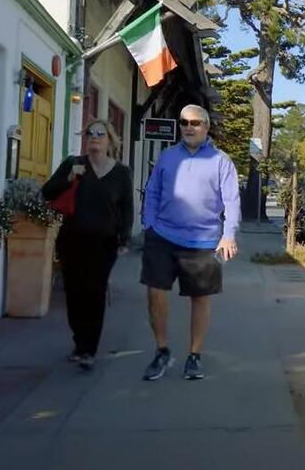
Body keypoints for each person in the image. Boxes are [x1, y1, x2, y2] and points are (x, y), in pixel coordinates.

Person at [140, 104, 240, 381]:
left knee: (199, 298)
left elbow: (231, 200)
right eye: (184, 122)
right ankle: (162, 351)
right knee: (155, 293)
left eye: (195, 123)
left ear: (206, 127)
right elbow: (153, 190)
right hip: (162, 235)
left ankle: (194, 356)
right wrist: (148, 224)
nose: (188, 127)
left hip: (203, 241)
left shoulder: (221, 161)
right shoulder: (168, 156)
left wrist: (228, 234)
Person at [41, 119, 133, 371]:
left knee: (95, 291)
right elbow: (47, 192)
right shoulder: (74, 164)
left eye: (100, 133)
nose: (94, 137)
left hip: (105, 243)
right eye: (90, 133)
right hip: (72, 240)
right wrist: (69, 179)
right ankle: (79, 341)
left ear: (110, 140)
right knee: (74, 292)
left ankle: (88, 349)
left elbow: (126, 209)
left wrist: (124, 239)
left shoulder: (121, 173)